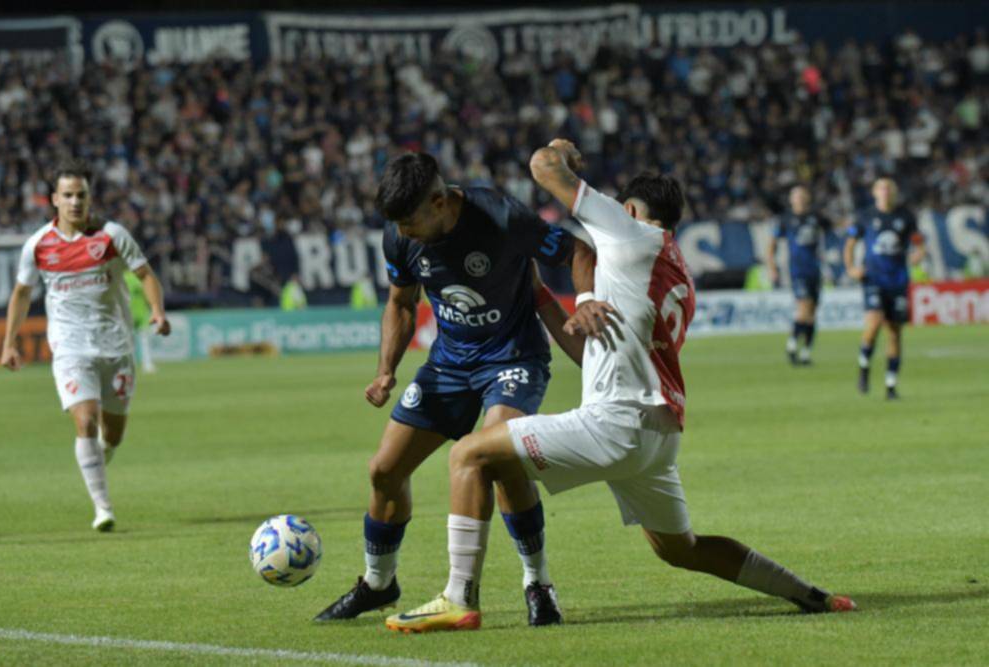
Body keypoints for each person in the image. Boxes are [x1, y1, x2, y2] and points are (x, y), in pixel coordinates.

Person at [385, 140, 856, 633]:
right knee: (682, 548)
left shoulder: (629, 234)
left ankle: (458, 598)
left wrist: (559, 151)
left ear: (630, 210)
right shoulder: (677, 272)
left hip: (615, 422)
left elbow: (543, 167)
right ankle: (811, 595)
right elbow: (610, 339)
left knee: (468, 456)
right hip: (659, 436)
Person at [313, 152, 599, 626]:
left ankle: (537, 583)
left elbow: (577, 252)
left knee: (497, 458)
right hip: (448, 365)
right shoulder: (399, 234)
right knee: (384, 470)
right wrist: (386, 369)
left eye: (410, 221)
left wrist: (586, 303)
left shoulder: (503, 218)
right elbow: (402, 304)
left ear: (441, 201)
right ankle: (378, 583)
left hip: (512, 359)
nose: (402, 233)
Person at [0, 159, 171, 531]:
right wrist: (9, 343)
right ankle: (103, 508)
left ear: (90, 197)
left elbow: (145, 274)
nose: (75, 202)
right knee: (85, 419)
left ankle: (97, 456)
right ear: (54, 200)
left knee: (112, 435)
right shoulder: (39, 245)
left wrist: (157, 310)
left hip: (115, 344)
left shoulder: (111, 235)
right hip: (70, 345)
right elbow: (21, 292)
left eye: (81, 195)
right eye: (68, 195)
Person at [844, 178, 926, 399]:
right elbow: (850, 243)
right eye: (881, 188)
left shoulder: (906, 216)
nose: (886, 191)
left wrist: (919, 254)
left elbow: (919, 242)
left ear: (895, 192)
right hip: (873, 278)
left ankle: (891, 385)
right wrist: (851, 268)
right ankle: (864, 366)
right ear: (874, 192)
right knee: (873, 324)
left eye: (889, 188)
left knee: (894, 333)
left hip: (898, 280)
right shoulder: (866, 216)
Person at [765, 185, 833, 365]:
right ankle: (792, 344)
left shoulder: (816, 217)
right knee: (804, 307)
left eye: (803, 195)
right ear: (791, 199)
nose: (800, 199)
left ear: (808, 198)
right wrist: (772, 267)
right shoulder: (785, 219)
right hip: (797, 270)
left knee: (812, 313)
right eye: (796, 196)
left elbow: (834, 227)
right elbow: (772, 246)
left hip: (815, 270)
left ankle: (805, 352)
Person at [124, 270, 157, 373]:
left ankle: (146, 364)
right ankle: (139, 365)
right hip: (131, 314)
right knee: (133, 342)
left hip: (139, 314)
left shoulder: (136, 277)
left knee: (141, 341)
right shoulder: (126, 277)